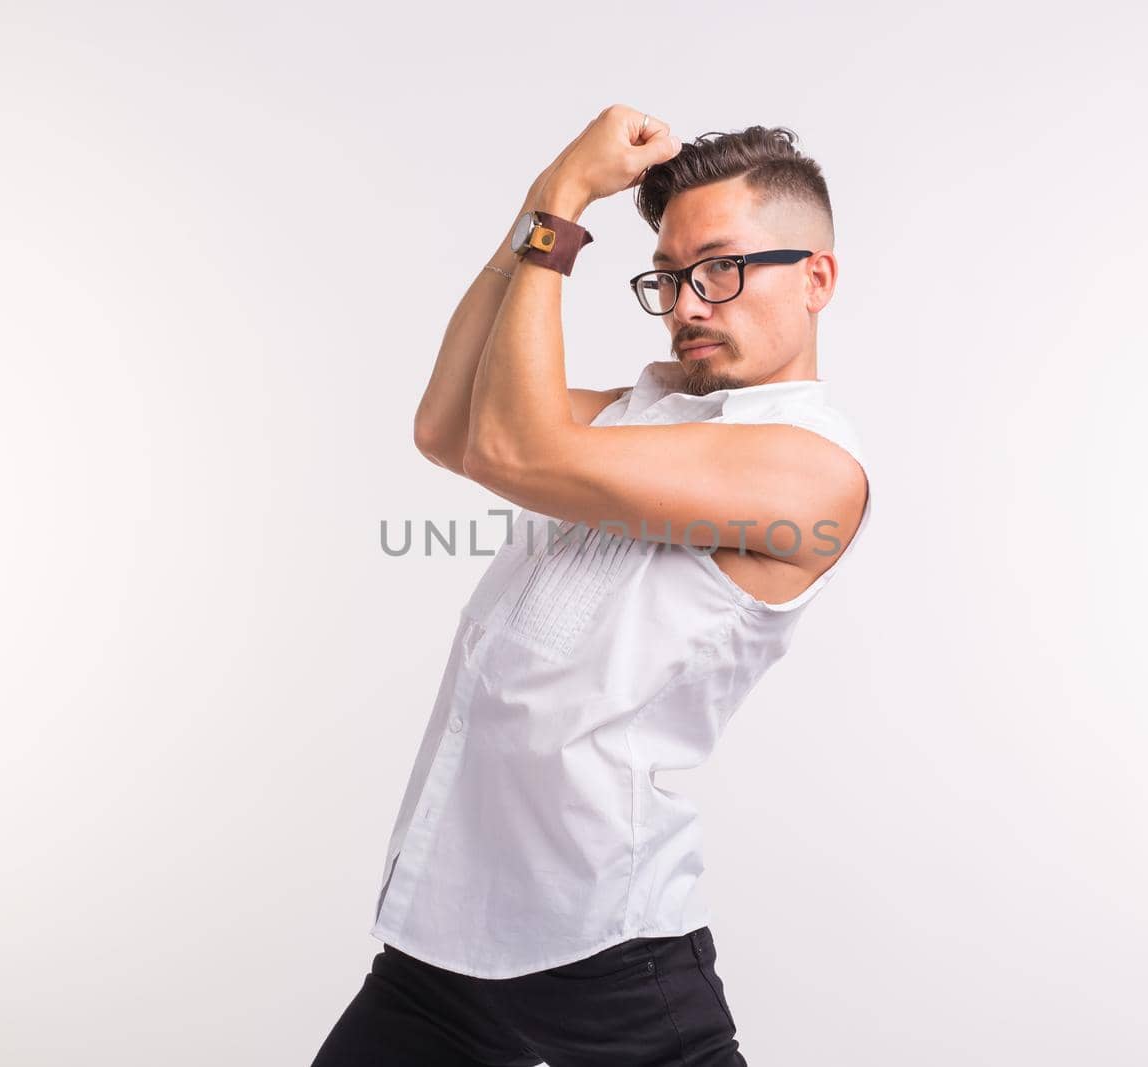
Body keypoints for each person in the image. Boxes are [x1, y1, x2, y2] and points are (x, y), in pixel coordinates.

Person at [310, 106, 871, 1067]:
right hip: (446, 932)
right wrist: (539, 208)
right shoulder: (640, 407)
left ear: (816, 276)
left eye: (723, 270)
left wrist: (568, 200)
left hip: (603, 951)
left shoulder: (809, 469)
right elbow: (451, 427)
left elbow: (513, 445)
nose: (690, 303)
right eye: (671, 277)